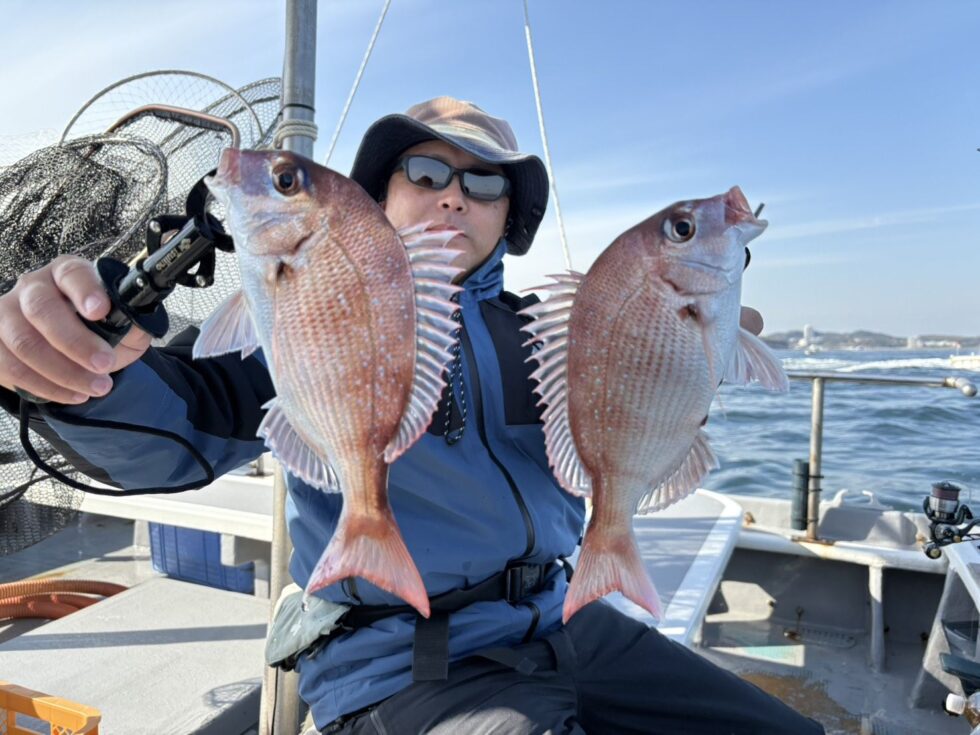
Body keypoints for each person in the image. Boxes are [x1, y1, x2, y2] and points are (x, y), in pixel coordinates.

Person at [0, 96, 821, 734]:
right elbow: (179, 435)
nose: (455, 196)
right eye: (425, 173)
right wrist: (73, 371)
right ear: (381, 193)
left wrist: (684, 361)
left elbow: (627, 416)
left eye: (486, 182)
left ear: (510, 215)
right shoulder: (316, 309)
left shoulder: (549, 334)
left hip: (568, 622)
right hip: (404, 660)